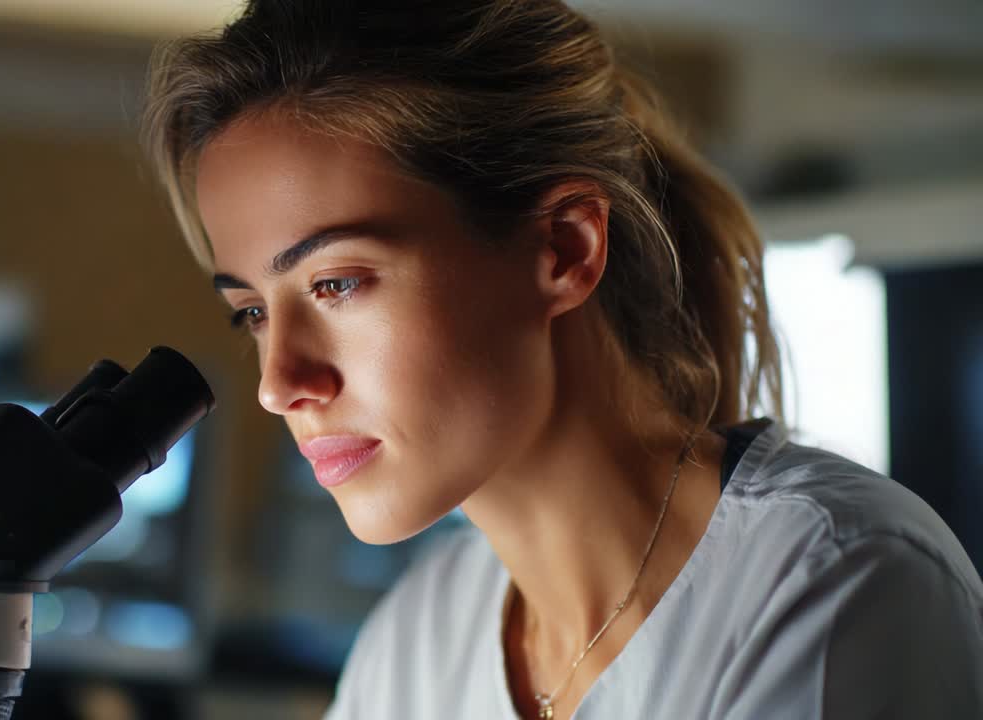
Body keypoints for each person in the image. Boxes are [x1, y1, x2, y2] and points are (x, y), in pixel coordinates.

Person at [142, 1, 983, 717]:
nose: (279, 384)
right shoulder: (412, 646)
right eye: (251, 311)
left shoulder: (835, 583)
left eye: (337, 284)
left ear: (563, 250)